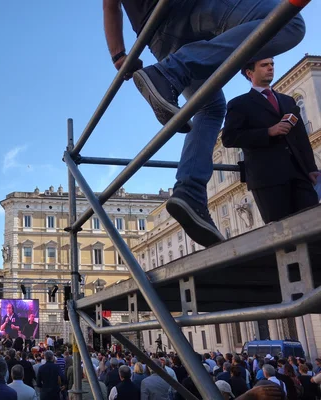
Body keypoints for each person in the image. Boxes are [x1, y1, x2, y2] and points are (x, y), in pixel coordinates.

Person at [103, 0, 306, 247]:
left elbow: (110, 5)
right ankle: (173, 70)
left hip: (156, 33)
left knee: (209, 107)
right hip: (191, 6)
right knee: (289, 22)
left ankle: (190, 189)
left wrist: (119, 55)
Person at [222, 58, 320, 223]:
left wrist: (311, 168)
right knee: (283, 233)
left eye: (272, 64)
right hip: (267, 179)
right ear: (249, 72)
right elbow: (229, 138)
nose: (270, 68)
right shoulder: (239, 104)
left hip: (300, 174)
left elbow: (301, 138)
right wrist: (268, 132)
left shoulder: (288, 101)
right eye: (264, 65)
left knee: (313, 225)